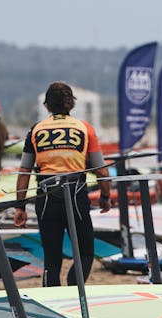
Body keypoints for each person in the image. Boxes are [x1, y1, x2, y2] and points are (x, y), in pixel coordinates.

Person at [13, 81, 111, 287]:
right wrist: (105, 196)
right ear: (71, 104)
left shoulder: (36, 130)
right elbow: (101, 170)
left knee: (51, 258)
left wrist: (19, 206)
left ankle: (51, 302)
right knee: (85, 252)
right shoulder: (85, 129)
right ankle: (74, 287)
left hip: (46, 197)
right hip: (76, 195)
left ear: (47, 105)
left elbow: (24, 171)